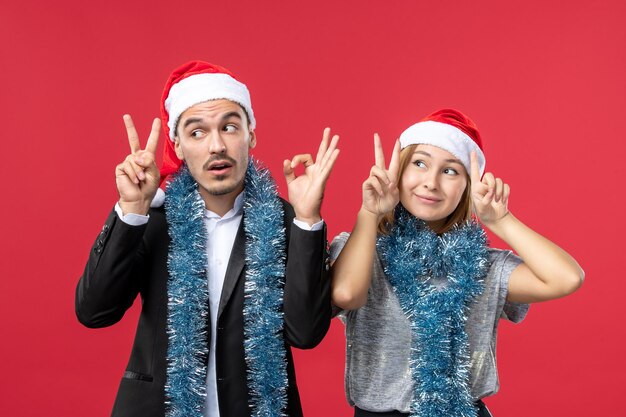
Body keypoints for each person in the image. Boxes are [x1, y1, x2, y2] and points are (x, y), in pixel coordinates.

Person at [75, 60, 339, 417]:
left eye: (230, 127)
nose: (216, 145)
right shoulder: (153, 220)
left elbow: (305, 333)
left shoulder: (288, 220)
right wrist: (131, 210)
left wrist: (307, 219)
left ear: (251, 135)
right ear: (179, 146)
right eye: (197, 132)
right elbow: (94, 311)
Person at [329, 109, 583, 417]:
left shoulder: (483, 267)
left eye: (450, 171)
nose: (431, 183)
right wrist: (369, 213)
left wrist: (501, 220)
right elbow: (344, 293)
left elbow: (567, 278)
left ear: (466, 187)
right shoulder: (361, 247)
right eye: (419, 163)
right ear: (398, 171)